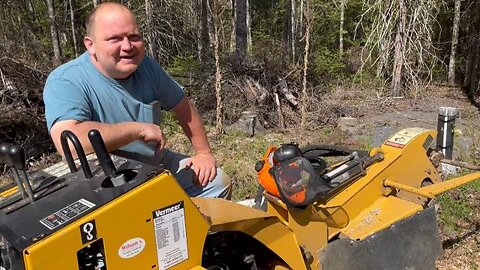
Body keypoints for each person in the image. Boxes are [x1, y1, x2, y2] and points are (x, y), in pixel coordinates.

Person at [43, 2, 231, 199]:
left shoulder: (147, 67)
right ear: (90, 45)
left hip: (153, 165)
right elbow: (71, 142)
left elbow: (183, 107)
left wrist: (203, 153)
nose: (127, 47)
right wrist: (138, 129)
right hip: (103, 182)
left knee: (216, 182)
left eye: (134, 37)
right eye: (114, 39)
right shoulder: (67, 80)